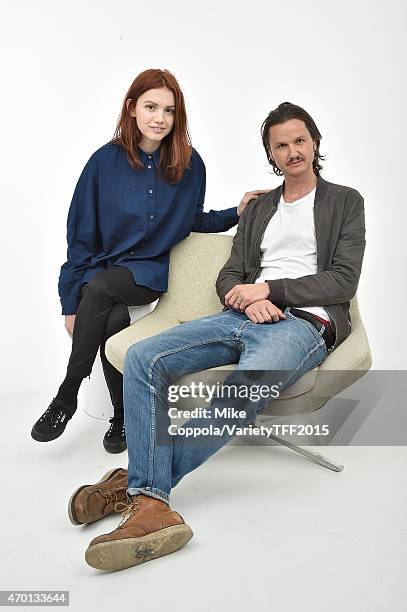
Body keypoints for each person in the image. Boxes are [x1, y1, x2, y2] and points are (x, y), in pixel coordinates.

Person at [67, 101, 366, 571]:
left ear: (315, 143)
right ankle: (150, 499)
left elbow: (343, 280)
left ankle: (140, 491)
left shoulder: (346, 201)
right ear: (271, 154)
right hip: (242, 314)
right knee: (143, 358)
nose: (292, 151)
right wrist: (247, 297)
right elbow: (229, 274)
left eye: (300, 141)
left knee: (243, 388)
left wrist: (271, 289)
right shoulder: (263, 207)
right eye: (281, 145)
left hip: (306, 323)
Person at [31, 68, 263, 452]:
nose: (160, 118)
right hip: (102, 271)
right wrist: (71, 302)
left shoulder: (191, 165)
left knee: (103, 288)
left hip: (149, 273)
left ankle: (66, 395)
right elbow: (80, 235)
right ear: (132, 109)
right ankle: (123, 417)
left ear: (178, 116)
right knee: (113, 316)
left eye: (169, 111)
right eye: (151, 107)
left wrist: (236, 212)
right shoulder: (103, 163)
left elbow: (192, 221)